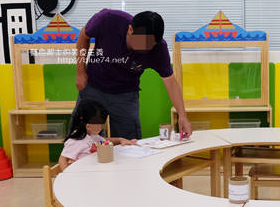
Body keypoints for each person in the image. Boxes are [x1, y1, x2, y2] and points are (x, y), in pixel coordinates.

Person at [71, 8, 192, 140]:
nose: (144, 49)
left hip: (125, 95)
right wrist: (80, 72)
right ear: (130, 29)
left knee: (129, 142)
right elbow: (83, 36)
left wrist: (182, 115)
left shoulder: (159, 49)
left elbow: (171, 82)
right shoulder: (108, 19)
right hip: (94, 86)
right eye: (141, 43)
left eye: (149, 46)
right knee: (81, 138)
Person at [59, 98, 135, 170]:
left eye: (102, 124)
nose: (101, 127)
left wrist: (120, 140)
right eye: (98, 124)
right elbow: (62, 159)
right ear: (87, 124)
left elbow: (105, 141)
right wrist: (68, 175)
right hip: (84, 174)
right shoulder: (76, 141)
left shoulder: (92, 135)